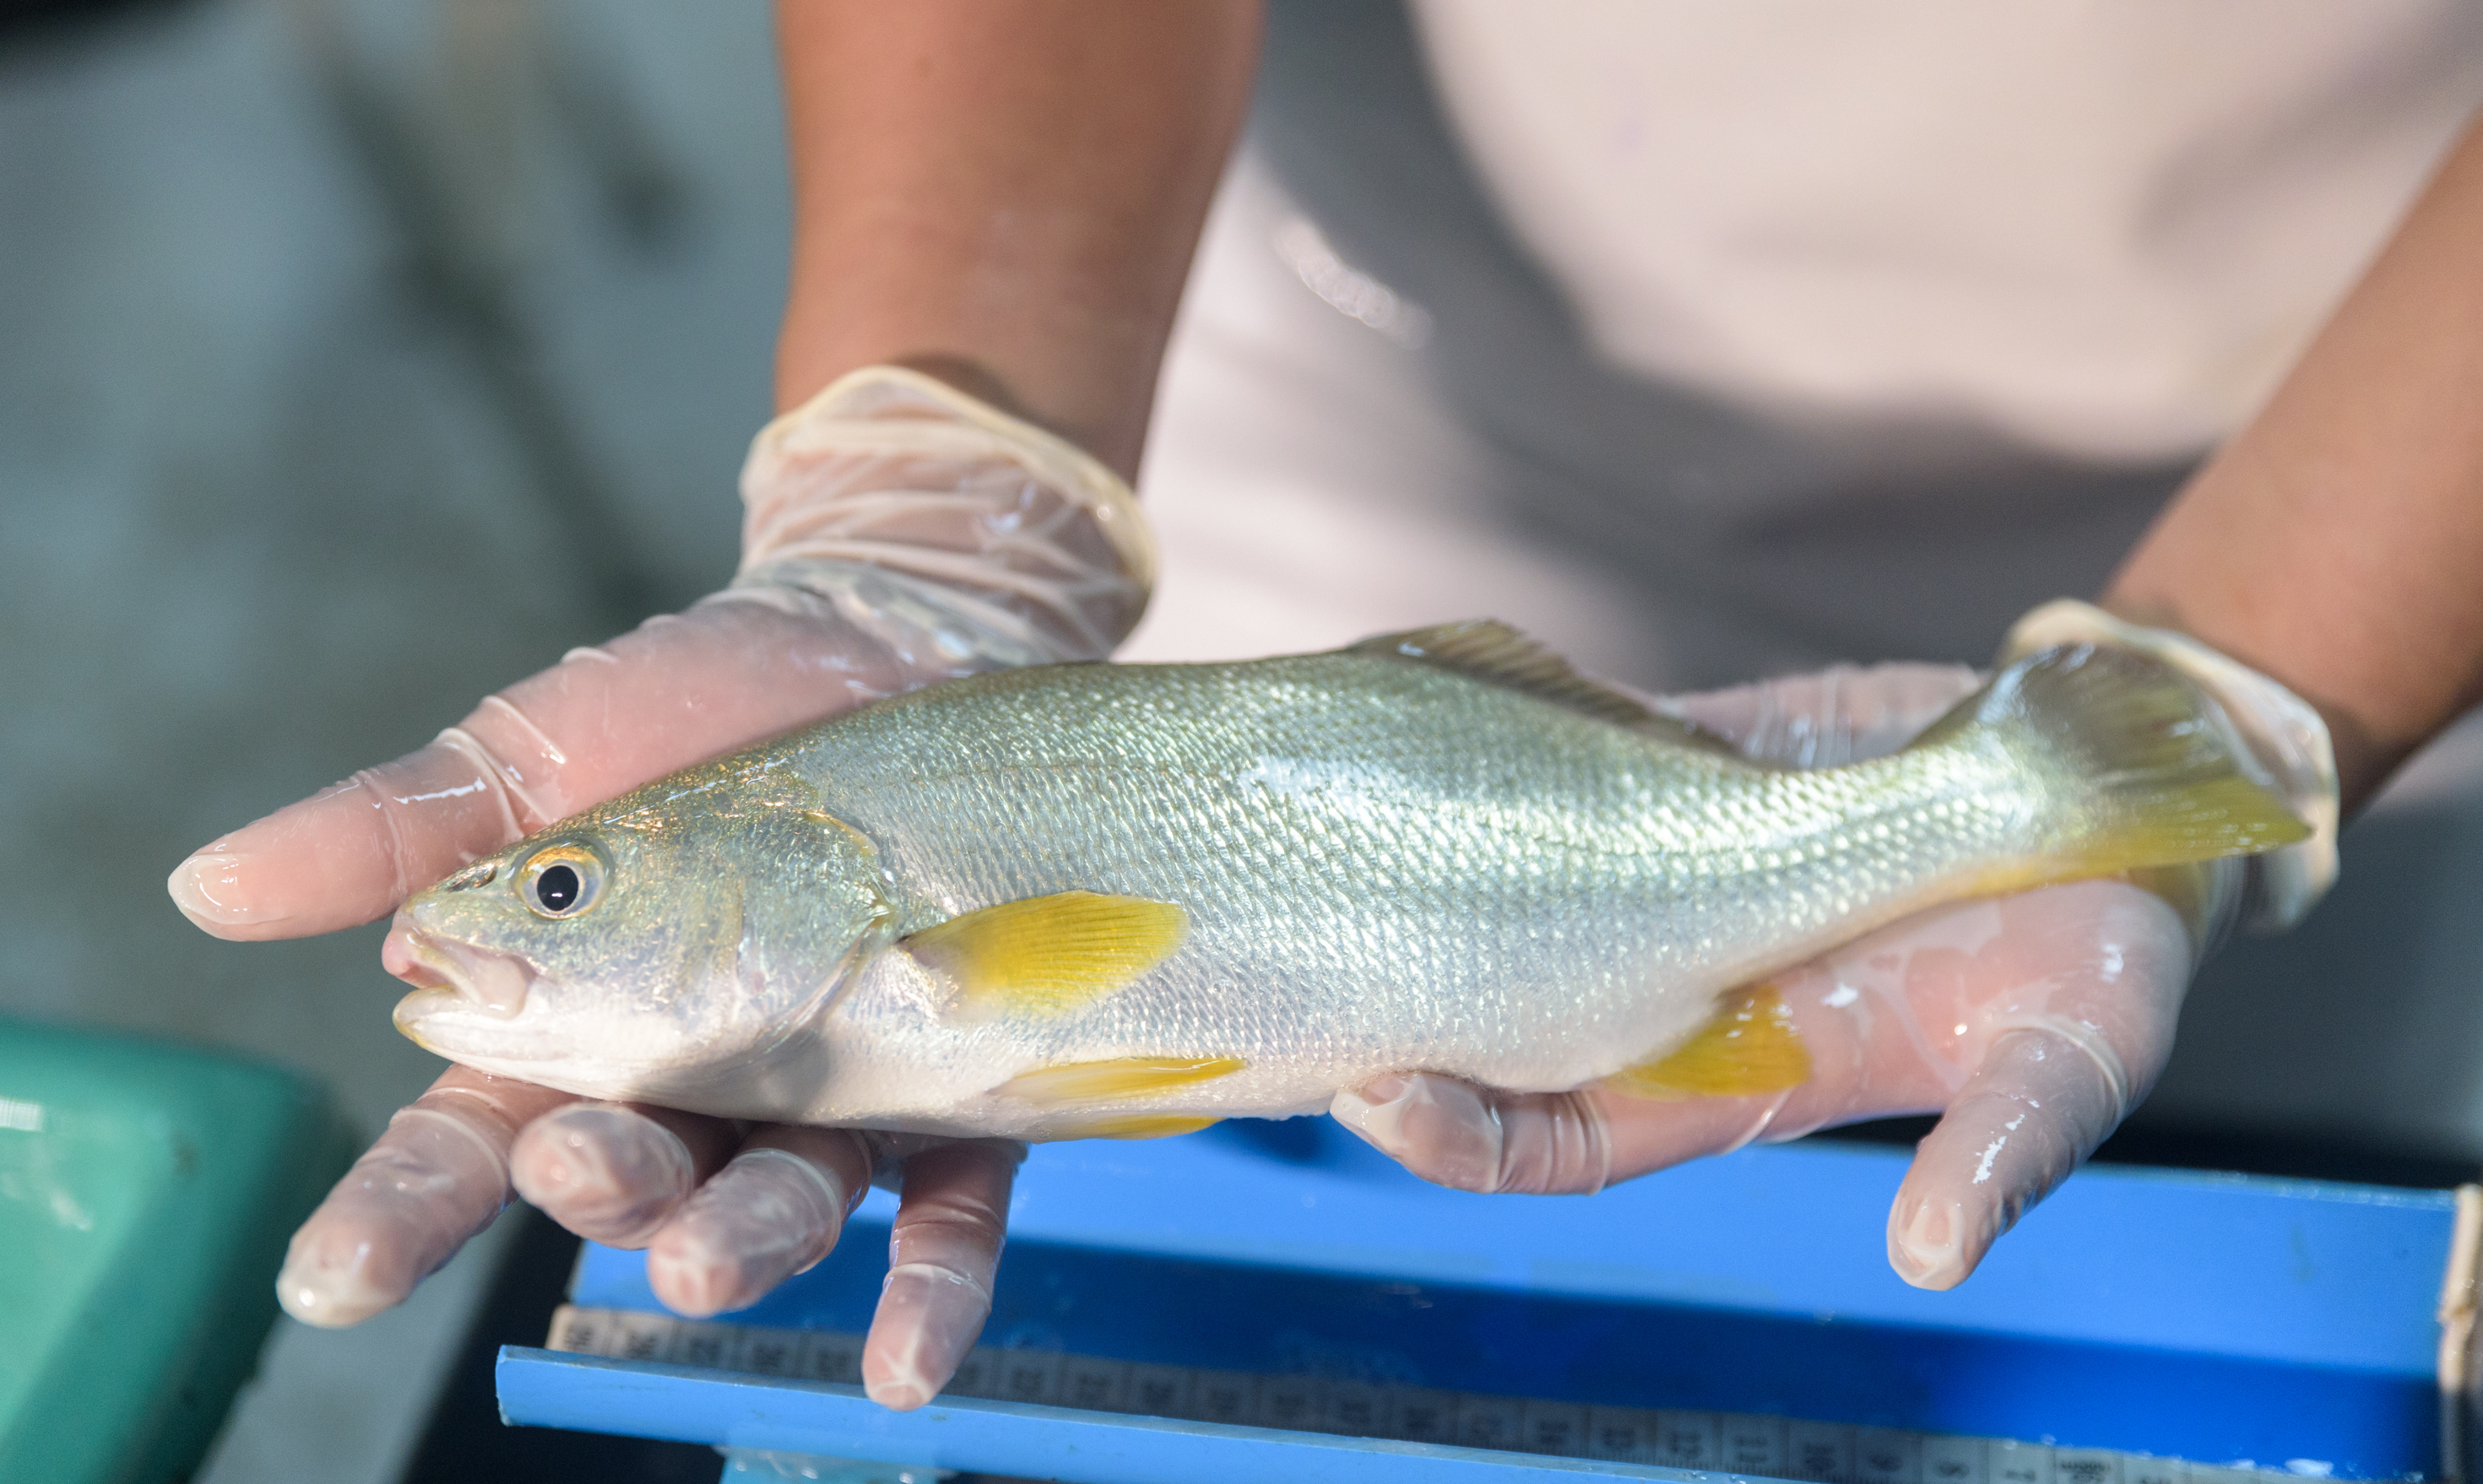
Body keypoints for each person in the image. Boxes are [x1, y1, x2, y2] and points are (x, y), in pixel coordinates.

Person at [166, 2, 2483, 1413]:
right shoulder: (881, 870)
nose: (525, 912)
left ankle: (2116, 772)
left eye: (566, 883)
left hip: (2387, 464)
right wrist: (950, 491)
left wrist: (2280, 675)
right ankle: (2046, 789)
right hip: (1342, 357)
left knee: (2204, 1168)